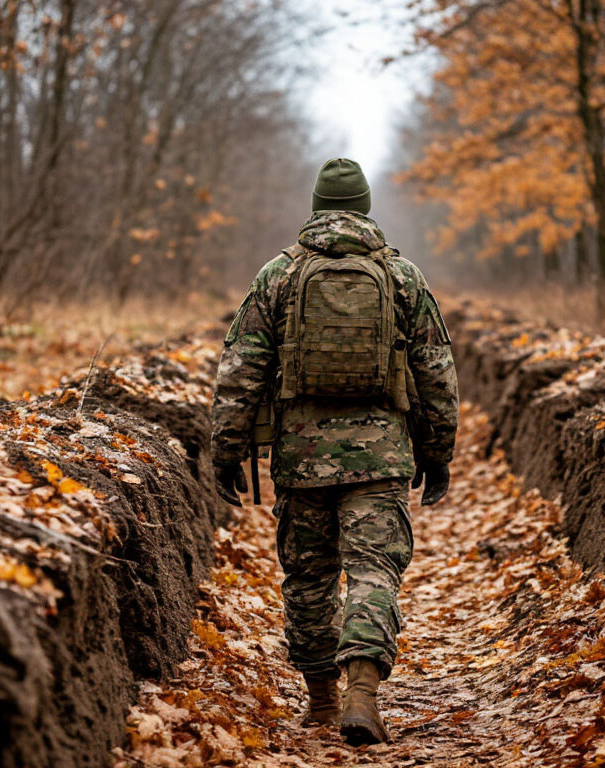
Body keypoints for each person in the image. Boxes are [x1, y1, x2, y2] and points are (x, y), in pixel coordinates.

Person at [210, 157, 458, 746]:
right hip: (382, 458)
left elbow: (241, 369)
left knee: (309, 576)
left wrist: (226, 447)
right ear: (367, 208)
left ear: (317, 207)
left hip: (300, 457)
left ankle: (320, 699)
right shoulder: (402, 276)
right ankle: (363, 695)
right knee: (373, 569)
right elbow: (437, 371)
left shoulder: (278, 275)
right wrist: (437, 450)